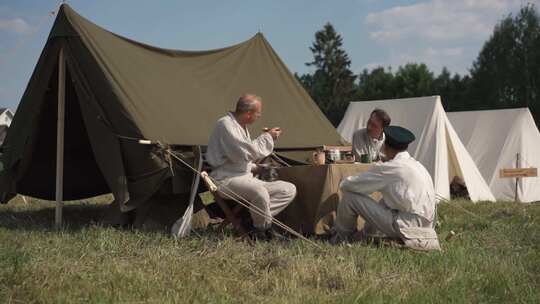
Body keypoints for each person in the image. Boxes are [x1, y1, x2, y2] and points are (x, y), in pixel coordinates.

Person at [332, 125, 441, 251]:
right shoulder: (419, 166)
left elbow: (351, 185)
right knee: (387, 200)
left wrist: (342, 181)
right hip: (427, 227)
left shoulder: (392, 167)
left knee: (350, 198)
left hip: (408, 227)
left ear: (385, 146)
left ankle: (340, 239)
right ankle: (365, 235)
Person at [206, 94, 297, 240]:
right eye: (258, 113)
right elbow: (247, 151)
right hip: (225, 180)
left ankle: (250, 222)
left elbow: (240, 159)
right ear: (248, 114)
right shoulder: (225, 125)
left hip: (244, 179)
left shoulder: (241, 127)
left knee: (288, 189)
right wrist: (268, 137)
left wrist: (257, 167)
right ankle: (263, 231)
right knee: (259, 192)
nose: (259, 116)